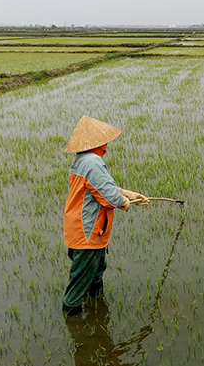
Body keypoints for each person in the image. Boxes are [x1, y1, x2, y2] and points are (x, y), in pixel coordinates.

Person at [62, 115, 149, 316]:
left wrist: (130, 194)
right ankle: (74, 323)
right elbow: (110, 197)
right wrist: (124, 202)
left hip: (85, 230)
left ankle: (96, 310)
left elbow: (102, 187)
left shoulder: (82, 161)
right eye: (104, 140)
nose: (107, 143)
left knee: (95, 271)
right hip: (88, 232)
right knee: (81, 280)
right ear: (97, 142)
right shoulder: (93, 162)